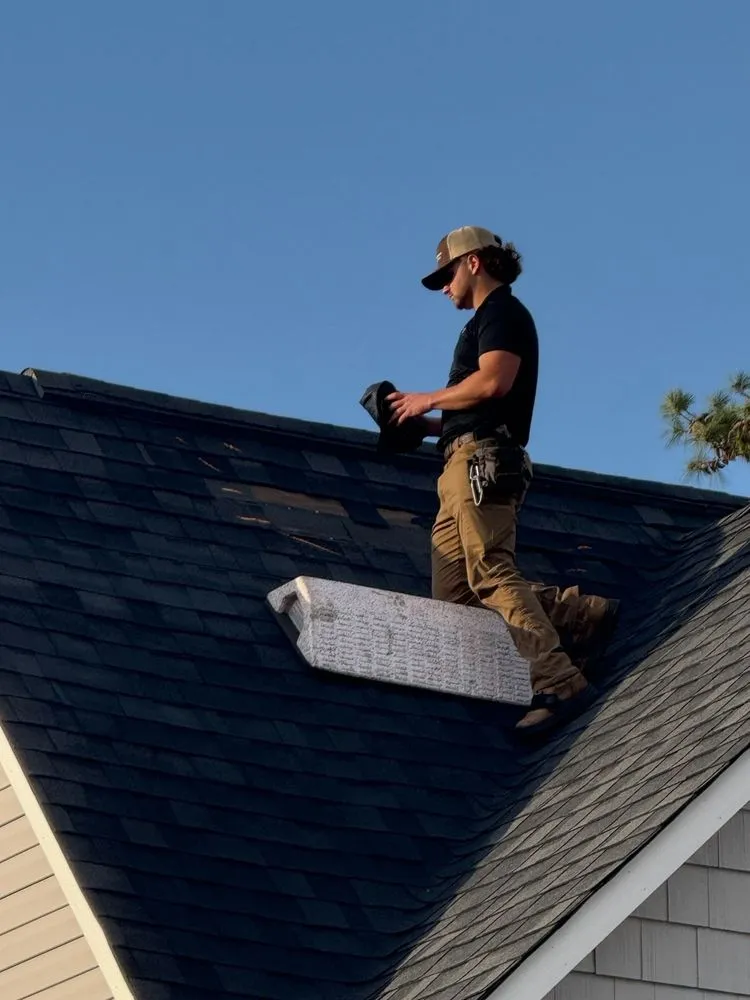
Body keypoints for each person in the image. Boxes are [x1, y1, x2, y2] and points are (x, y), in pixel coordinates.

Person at [387, 226, 618, 736]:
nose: (444, 286)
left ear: (474, 263)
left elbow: (494, 383)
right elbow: (480, 401)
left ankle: (559, 681)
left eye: (447, 273)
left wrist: (426, 399)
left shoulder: (503, 314)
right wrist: (421, 425)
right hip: (461, 462)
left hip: (480, 464)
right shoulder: (481, 323)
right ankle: (578, 616)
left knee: (490, 570)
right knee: (458, 596)